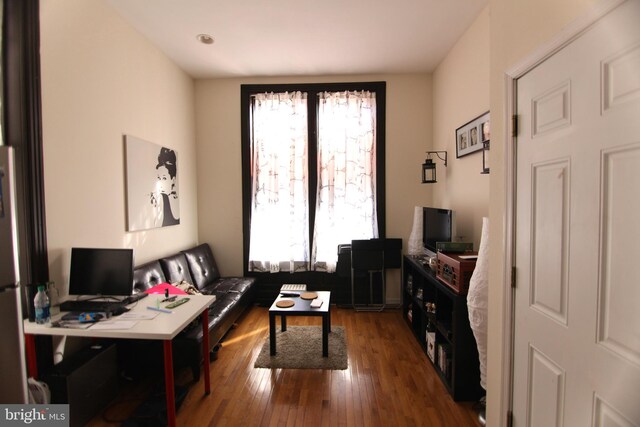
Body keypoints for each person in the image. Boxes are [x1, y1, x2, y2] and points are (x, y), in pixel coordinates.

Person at [150, 147, 179, 226]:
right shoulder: (160, 198)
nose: (161, 183)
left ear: (172, 180)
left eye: (164, 178)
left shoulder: (172, 199)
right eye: (159, 178)